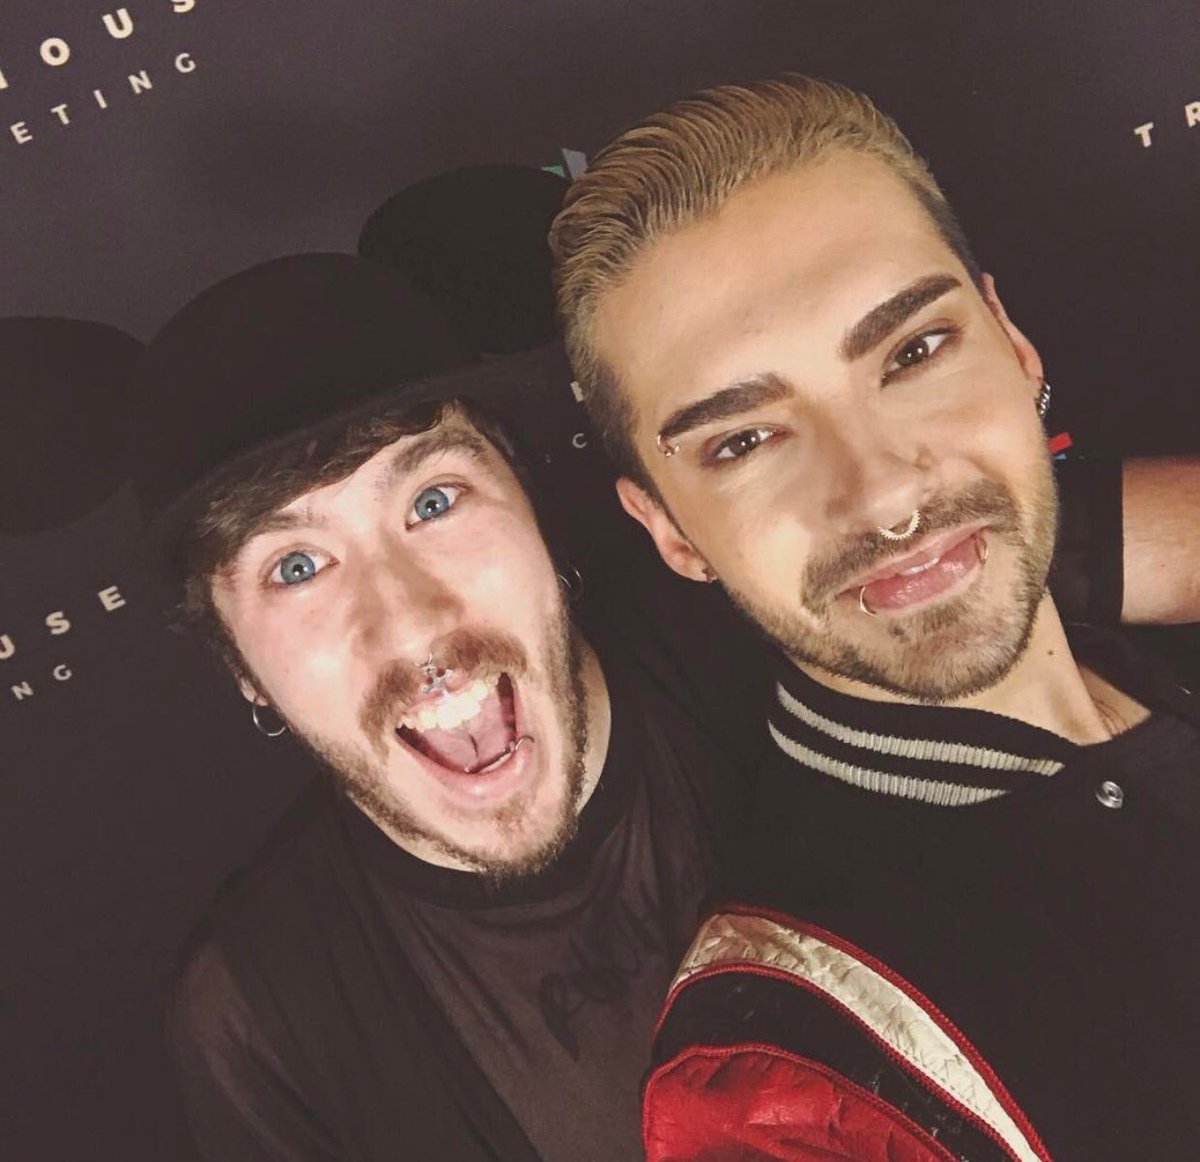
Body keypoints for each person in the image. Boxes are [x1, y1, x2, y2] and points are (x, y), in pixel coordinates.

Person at [549, 75, 1200, 1160]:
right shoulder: (789, 1077)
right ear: (670, 530)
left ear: (1013, 344)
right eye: (744, 441)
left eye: (914, 352)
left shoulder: (1153, 658)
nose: (885, 494)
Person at [145, 249, 766, 1162]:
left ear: (532, 508)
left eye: (433, 501)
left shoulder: (757, 659)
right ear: (242, 667)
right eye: (297, 566)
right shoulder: (261, 1022)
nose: (410, 623)